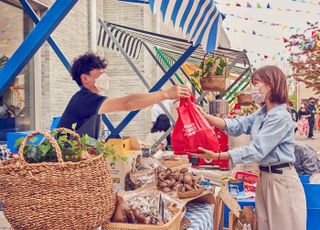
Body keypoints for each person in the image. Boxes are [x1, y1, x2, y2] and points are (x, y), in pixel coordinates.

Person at [190, 66, 306, 230]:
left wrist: (218, 156)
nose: (253, 89)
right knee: (264, 225)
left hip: (281, 180)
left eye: (256, 83)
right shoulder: (261, 114)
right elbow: (236, 125)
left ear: (270, 85)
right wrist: (203, 116)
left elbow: (256, 150)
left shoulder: (281, 117)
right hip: (265, 176)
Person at [58, 53, 190, 138]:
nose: (105, 77)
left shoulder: (88, 99)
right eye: (100, 74)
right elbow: (127, 104)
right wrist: (165, 94)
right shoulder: (84, 99)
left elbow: (135, 104)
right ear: (85, 78)